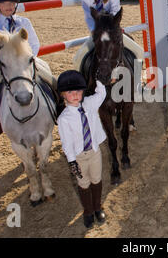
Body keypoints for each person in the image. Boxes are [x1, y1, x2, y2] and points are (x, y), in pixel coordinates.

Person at [0, 0, 56, 135]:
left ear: (16, 4)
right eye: (4, 3)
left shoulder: (24, 22)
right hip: (8, 67)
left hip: (28, 64)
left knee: (53, 81)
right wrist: (4, 65)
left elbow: (35, 43)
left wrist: (29, 60)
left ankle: (59, 107)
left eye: (11, 2)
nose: (8, 6)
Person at [57, 70, 107, 229]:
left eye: (78, 91)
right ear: (63, 95)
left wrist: (100, 79)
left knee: (96, 179)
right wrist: (72, 161)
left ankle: (98, 207)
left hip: (94, 152)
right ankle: (88, 211)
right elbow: (66, 143)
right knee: (83, 183)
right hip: (79, 156)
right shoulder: (64, 119)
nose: (75, 95)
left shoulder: (90, 104)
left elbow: (101, 94)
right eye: (70, 92)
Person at [73, 0, 143, 71]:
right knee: (77, 59)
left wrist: (112, 29)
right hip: (97, 33)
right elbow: (89, 18)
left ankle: (137, 84)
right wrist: (95, 32)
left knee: (139, 52)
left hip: (113, 33)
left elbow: (115, 14)